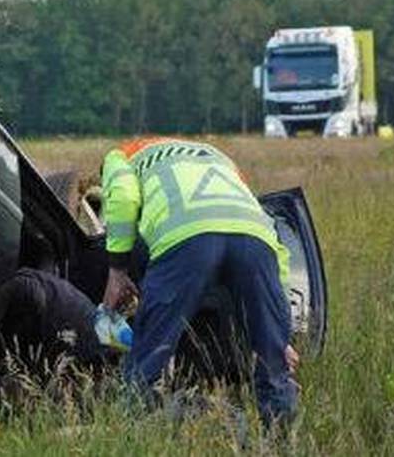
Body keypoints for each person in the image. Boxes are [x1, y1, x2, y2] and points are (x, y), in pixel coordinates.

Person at [99, 136, 299, 427]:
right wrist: (281, 336)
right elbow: (276, 248)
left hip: (185, 237)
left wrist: (117, 270)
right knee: (273, 366)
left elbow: (124, 198)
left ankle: (134, 431)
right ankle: (280, 436)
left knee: (149, 354)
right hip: (256, 238)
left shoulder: (119, 157)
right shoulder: (218, 157)